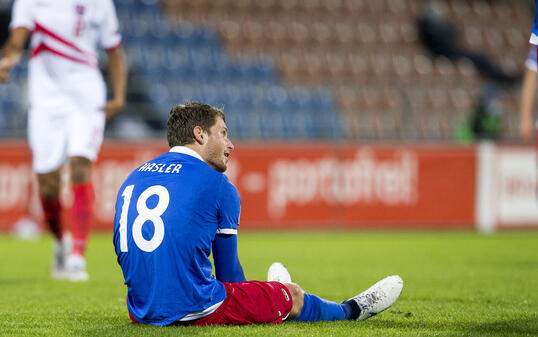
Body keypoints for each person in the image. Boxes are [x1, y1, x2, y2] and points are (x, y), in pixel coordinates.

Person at [112, 102, 403, 326]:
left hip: (140, 309)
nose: (230, 144)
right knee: (294, 298)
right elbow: (231, 279)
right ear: (199, 135)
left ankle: (276, 289)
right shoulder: (217, 184)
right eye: (223, 133)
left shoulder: (133, 177)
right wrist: (269, 296)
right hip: (193, 308)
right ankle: (352, 310)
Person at [0, 0, 127, 281]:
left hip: (86, 94)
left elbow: (114, 48)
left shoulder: (100, 3)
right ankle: (60, 241)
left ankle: (77, 256)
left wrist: (118, 95)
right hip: (45, 99)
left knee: (81, 164)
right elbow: (17, 38)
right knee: (48, 183)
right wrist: (9, 58)